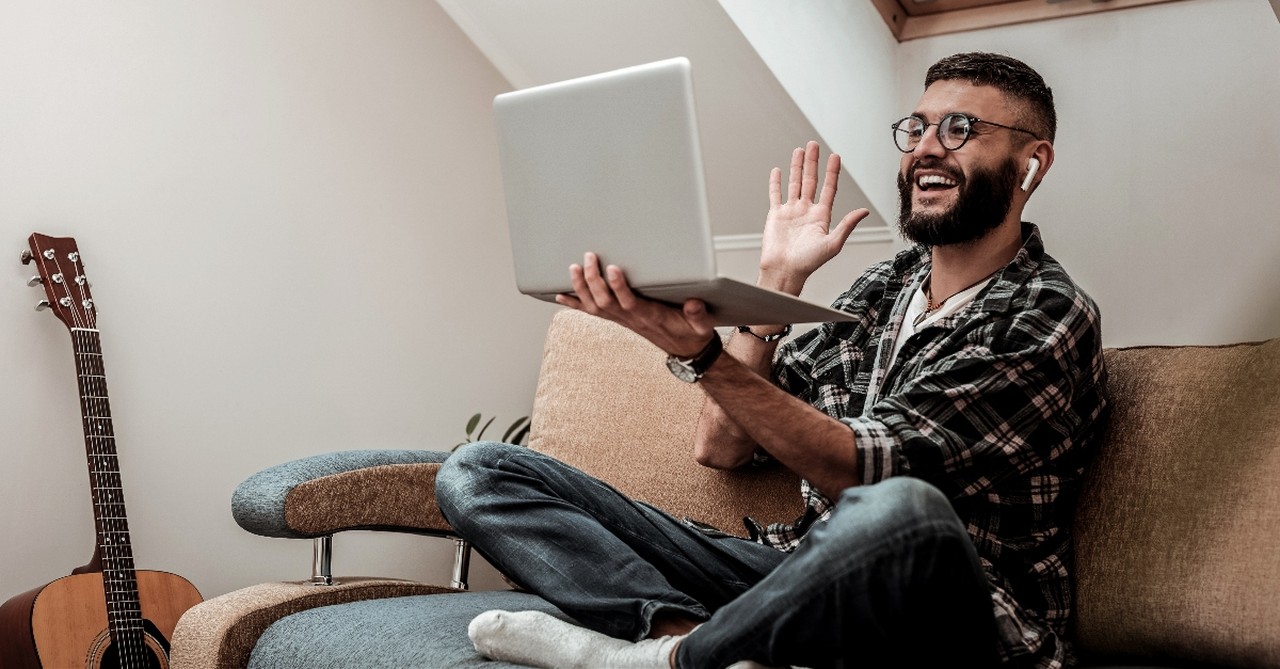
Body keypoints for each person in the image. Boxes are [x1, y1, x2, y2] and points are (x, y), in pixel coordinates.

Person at [436, 51, 1108, 669]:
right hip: (797, 583)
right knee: (478, 471)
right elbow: (723, 444)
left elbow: (857, 468)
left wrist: (699, 352)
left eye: (960, 128)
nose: (926, 150)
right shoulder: (883, 289)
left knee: (899, 507)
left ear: (1031, 163)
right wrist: (778, 283)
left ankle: (648, 660)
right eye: (917, 128)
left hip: (957, 622)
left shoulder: (1046, 315)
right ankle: (682, 638)